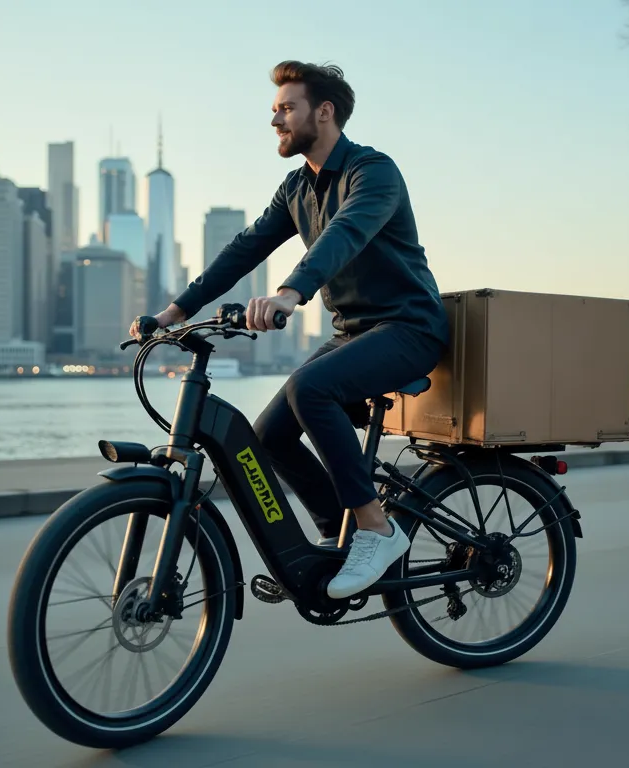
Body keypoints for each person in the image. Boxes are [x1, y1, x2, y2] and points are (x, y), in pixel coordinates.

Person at [132, 60, 449, 599]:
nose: (275, 119)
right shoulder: (296, 187)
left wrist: (289, 293)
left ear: (323, 112)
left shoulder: (373, 172)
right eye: (274, 109)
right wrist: (174, 312)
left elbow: (345, 233)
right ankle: (335, 534)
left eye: (286, 108)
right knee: (266, 437)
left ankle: (376, 529)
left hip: (409, 328)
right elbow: (246, 248)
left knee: (310, 389)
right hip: (353, 333)